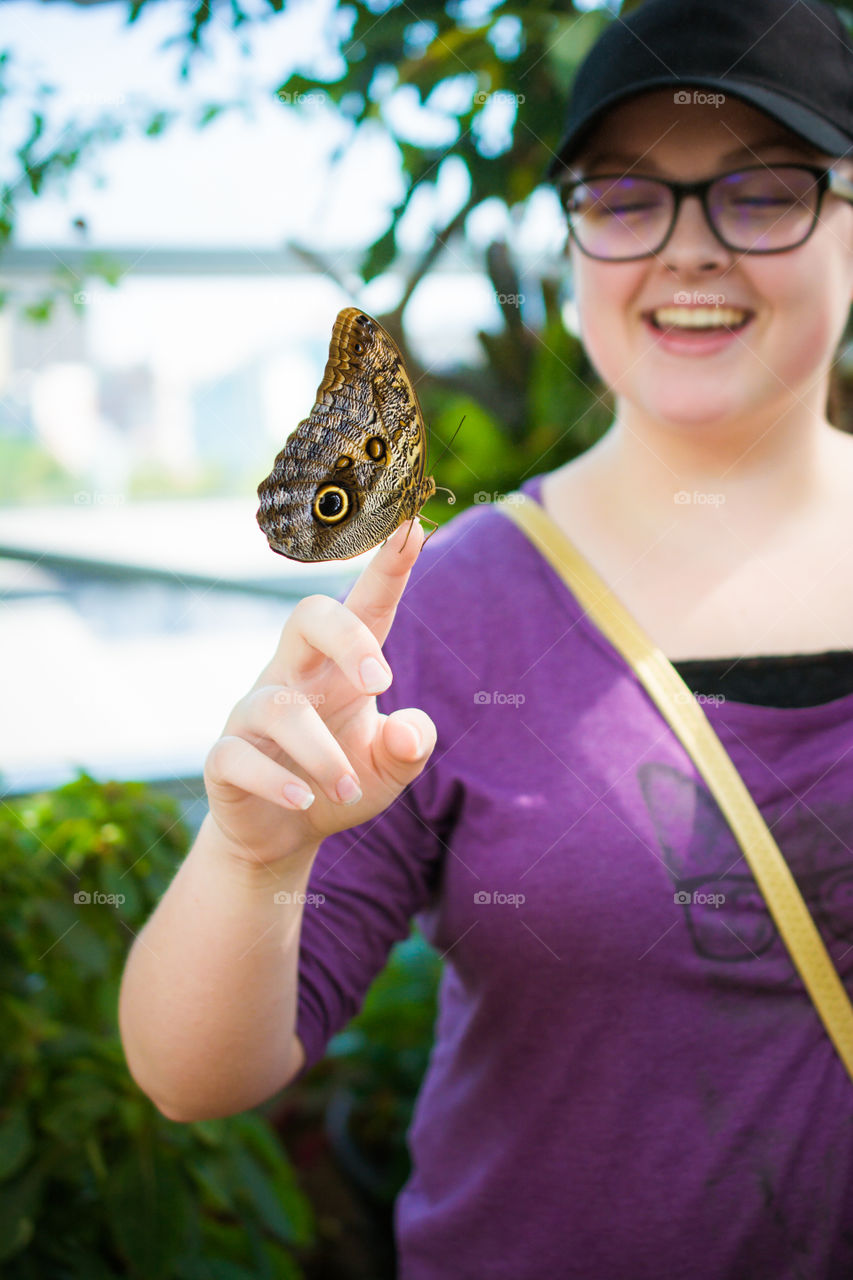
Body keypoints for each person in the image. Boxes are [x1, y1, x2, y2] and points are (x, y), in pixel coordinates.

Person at [118, 0, 853, 1275]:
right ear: (574, 251)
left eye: (763, 191)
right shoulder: (452, 605)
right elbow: (198, 1073)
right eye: (627, 199)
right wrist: (250, 852)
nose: (690, 250)